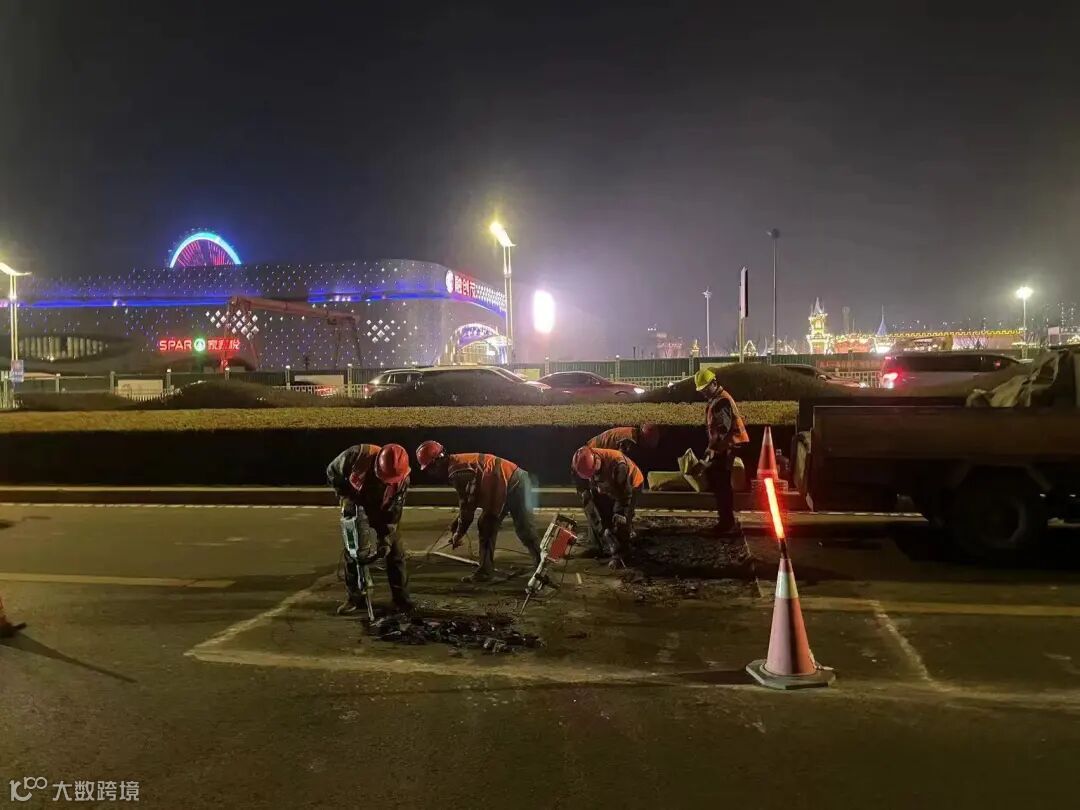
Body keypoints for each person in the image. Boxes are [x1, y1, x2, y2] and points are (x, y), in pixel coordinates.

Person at [415, 441, 541, 583]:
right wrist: (458, 523)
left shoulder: (457, 473)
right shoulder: (457, 464)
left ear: (437, 462)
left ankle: (543, 567)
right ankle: (486, 570)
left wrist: (459, 533)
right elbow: (470, 500)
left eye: (430, 469)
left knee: (525, 529)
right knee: (486, 525)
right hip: (507, 482)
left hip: (514, 484)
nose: (431, 473)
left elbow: (467, 507)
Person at [326, 442, 414, 614]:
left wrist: (386, 539)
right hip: (356, 500)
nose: (385, 483)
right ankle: (355, 598)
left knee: (395, 551)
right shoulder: (356, 455)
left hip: (382, 507)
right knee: (354, 549)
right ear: (377, 464)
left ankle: (402, 600)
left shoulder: (402, 480)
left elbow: (394, 514)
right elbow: (332, 472)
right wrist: (344, 494)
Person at [694, 368, 749, 534]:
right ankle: (726, 521)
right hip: (726, 446)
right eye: (701, 390)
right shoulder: (718, 400)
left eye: (705, 389)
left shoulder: (721, 402)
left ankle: (727, 523)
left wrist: (709, 452)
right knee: (720, 483)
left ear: (714, 383)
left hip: (729, 446)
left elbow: (721, 430)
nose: (703, 393)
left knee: (722, 485)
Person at [572, 446, 644, 567]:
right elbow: (581, 485)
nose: (591, 477)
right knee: (593, 508)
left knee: (620, 519)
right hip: (607, 485)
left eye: (593, 474)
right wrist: (602, 524)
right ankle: (600, 546)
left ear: (597, 460)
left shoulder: (618, 465)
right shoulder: (580, 464)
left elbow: (624, 496)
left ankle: (622, 554)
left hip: (631, 486)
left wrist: (620, 513)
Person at [586, 424, 660, 454]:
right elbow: (619, 459)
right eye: (647, 445)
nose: (646, 448)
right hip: (592, 450)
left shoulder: (632, 431)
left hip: (593, 446)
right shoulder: (629, 441)